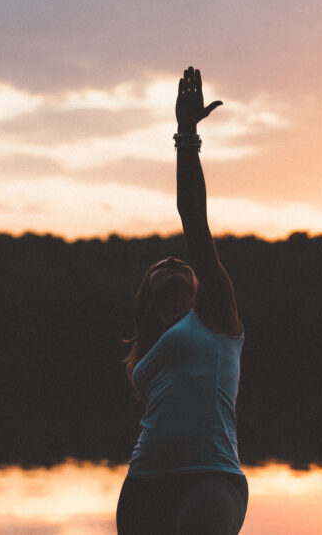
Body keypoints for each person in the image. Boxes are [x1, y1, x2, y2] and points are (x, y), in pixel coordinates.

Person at [116, 67, 248, 534]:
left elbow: (193, 217)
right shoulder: (148, 353)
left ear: (200, 286)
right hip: (144, 481)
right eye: (158, 267)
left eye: (182, 264)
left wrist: (186, 134)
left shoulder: (215, 318)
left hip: (209, 478)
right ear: (146, 300)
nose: (172, 258)